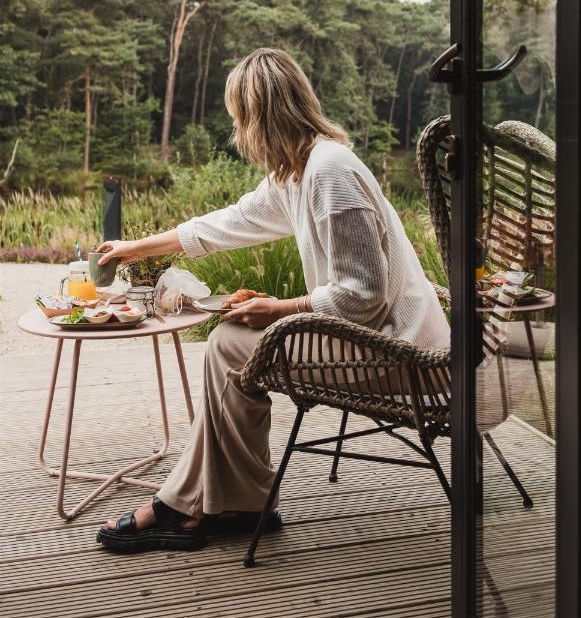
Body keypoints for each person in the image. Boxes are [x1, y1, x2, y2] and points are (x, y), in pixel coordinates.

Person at [95, 48, 450, 554]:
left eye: (239, 117)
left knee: (230, 345)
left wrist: (279, 308)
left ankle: (202, 504)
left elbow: (364, 297)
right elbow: (227, 223)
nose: (237, 130)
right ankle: (229, 503)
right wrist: (136, 247)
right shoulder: (297, 172)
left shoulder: (331, 176)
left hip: (400, 355)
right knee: (231, 343)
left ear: (259, 117)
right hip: (369, 339)